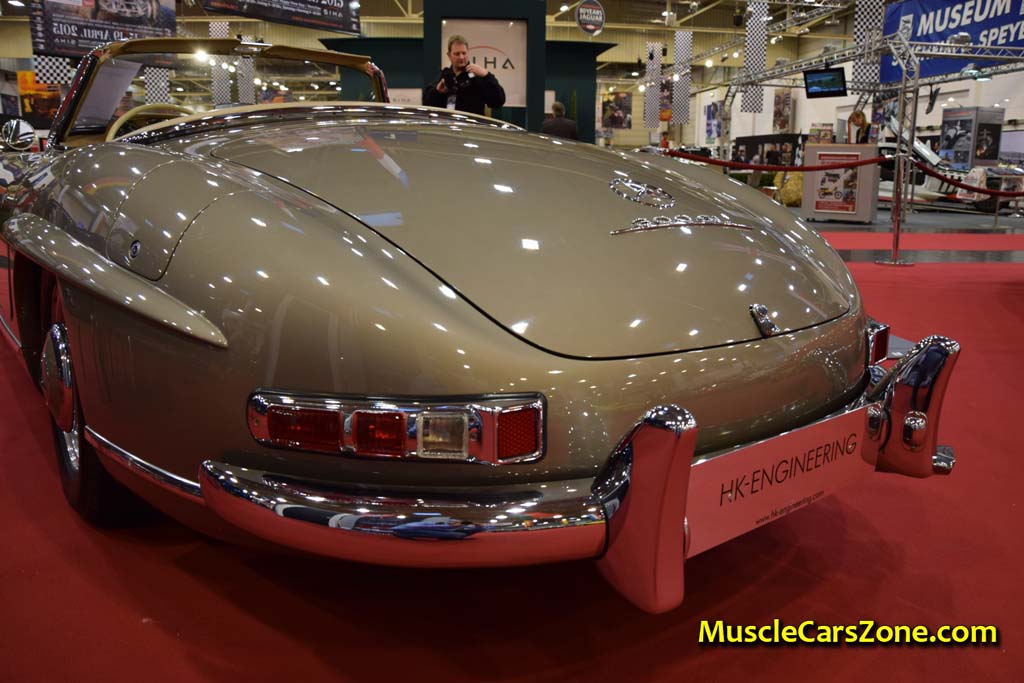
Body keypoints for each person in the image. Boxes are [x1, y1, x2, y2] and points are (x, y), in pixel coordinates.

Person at [423, 35, 505, 115]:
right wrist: (437, 92)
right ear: (449, 55)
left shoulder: (478, 76)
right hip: (448, 122)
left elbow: (498, 102)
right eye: (457, 54)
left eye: (464, 53)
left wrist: (486, 75)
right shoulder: (445, 76)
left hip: (471, 123)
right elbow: (427, 105)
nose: (461, 57)